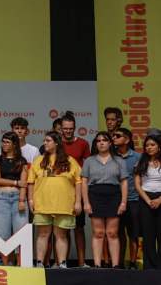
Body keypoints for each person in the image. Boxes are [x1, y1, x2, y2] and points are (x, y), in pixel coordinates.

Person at [28, 131, 82, 269]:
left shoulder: (70, 161)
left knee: (61, 235)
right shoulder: (38, 160)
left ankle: (62, 263)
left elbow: (78, 182)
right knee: (42, 234)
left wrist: (77, 202)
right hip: (42, 203)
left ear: (56, 143)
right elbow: (31, 182)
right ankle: (40, 263)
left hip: (64, 204)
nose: (44, 143)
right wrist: (30, 200)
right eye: (44, 140)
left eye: (48, 140)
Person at [81, 131, 128, 268]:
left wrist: (123, 202)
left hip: (114, 195)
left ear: (110, 143)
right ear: (96, 144)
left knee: (112, 233)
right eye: (98, 140)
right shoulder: (89, 161)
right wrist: (86, 202)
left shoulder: (119, 160)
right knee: (98, 232)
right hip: (95, 195)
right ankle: (97, 265)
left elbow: (124, 182)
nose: (101, 142)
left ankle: (115, 266)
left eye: (104, 140)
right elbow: (84, 182)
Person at [0, 132, 28, 266]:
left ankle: (21, 264)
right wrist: (15, 183)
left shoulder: (22, 160)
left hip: (18, 197)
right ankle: (5, 265)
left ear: (14, 144)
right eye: (3, 142)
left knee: (21, 233)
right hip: (2, 198)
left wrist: (21, 201)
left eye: (7, 142)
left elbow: (24, 183)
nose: (4, 144)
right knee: (2, 233)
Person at [60, 112, 90, 267]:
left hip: (78, 191)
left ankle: (82, 262)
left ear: (75, 128)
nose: (68, 131)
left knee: (79, 228)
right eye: (65, 128)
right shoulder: (56, 144)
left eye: (71, 128)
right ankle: (62, 263)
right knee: (62, 229)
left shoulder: (83, 144)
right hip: (60, 192)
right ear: (61, 129)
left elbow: (87, 168)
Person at [113, 127, 141, 268]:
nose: (114, 138)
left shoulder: (137, 157)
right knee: (117, 234)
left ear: (127, 140)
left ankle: (133, 262)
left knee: (133, 234)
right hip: (116, 201)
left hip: (134, 200)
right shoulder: (111, 156)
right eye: (113, 136)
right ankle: (119, 263)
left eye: (118, 136)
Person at [134, 135, 161, 269]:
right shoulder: (141, 162)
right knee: (148, 234)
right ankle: (150, 266)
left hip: (160, 198)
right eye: (147, 145)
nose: (149, 148)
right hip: (146, 199)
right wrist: (149, 200)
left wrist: (159, 200)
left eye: (152, 145)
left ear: (159, 146)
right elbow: (137, 185)